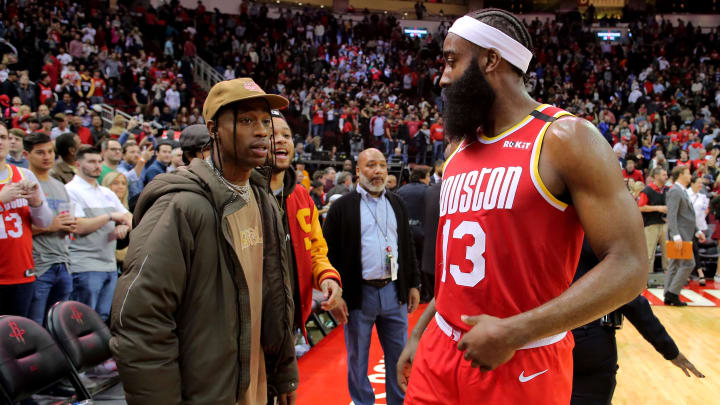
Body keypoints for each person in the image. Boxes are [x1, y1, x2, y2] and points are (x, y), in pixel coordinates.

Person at [399, 9, 646, 405]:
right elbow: (455, 275)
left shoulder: (566, 137)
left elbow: (631, 265)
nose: (442, 76)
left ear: (490, 60)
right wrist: (419, 334)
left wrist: (516, 331)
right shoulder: (458, 148)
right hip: (439, 351)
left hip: (524, 357)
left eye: (451, 60)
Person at [110, 78, 298, 405]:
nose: (262, 131)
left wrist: (283, 374)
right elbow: (140, 323)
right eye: (246, 120)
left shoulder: (262, 198)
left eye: (265, 121)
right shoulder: (180, 206)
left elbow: (273, 299)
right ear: (213, 129)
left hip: (256, 387)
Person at [323, 147, 420, 405]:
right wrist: (335, 295)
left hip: (394, 291)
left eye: (382, 166)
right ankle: (363, 402)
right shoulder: (341, 207)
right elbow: (326, 254)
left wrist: (413, 283)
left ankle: (397, 401)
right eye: (370, 166)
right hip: (358, 295)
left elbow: (407, 245)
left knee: (399, 357)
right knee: (358, 358)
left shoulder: (397, 203)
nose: (377, 171)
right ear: (357, 171)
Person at [571, 238, 704, 404]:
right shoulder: (599, 239)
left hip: (547, 339)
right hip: (589, 338)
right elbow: (632, 303)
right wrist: (671, 351)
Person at [267, 108, 343, 342]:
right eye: (271, 135)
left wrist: (326, 277)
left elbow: (316, 250)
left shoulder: (301, 196)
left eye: (286, 135)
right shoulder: (239, 194)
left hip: (290, 323)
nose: (280, 140)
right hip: (247, 329)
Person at [66, 146, 132, 321]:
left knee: (102, 319)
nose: (97, 166)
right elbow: (78, 226)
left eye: (99, 161)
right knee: (83, 321)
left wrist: (125, 225)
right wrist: (110, 216)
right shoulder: (70, 190)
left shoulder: (106, 192)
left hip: (109, 265)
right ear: (77, 164)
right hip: (84, 265)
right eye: (91, 162)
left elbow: (129, 216)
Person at [0, 123, 54, 317]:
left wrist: (36, 201)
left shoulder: (24, 175)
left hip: (21, 272)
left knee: (17, 339)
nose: (0, 142)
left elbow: (45, 222)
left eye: (3, 137)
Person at [24, 133, 76, 325]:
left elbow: (64, 221)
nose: (47, 156)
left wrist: (71, 225)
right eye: (40, 152)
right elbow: (16, 228)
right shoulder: (23, 184)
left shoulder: (60, 185)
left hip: (63, 262)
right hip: (38, 265)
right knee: (35, 326)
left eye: (50, 152)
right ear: (26, 154)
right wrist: (49, 226)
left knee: (59, 326)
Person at [665, 166, 705, 306]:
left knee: (674, 264)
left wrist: (697, 231)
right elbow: (672, 214)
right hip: (680, 235)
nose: (690, 176)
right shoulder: (675, 191)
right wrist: (675, 234)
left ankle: (667, 295)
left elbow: (687, 216)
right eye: (688, 173)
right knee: (689, 263)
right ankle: (673, 293)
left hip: (685, 234)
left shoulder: (682, 190)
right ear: (680, 175)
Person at [396, 167, 430, 301]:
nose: (429, 180)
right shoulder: (428, 191)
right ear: (422, 177)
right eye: (428, 176)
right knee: (423, 264)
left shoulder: (401, 190)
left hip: (404, 232)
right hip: (423, 232)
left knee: (407, 261)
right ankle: (424, 293)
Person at [638, 167, 669, 274]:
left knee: (668, 253)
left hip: (665, 224)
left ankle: (668, 276)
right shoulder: (647, 190)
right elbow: (640, 207)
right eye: (664, 175)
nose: (666, 177)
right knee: (649, 253)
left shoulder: (668, 190)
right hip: (651, 225)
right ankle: (647, 277)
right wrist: (658, 208)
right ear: (656, 176)